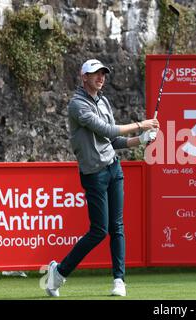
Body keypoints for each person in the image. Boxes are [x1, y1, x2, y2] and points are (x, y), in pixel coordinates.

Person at [44, 59, 159, 297]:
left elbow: (113, 141)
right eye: (95, 74)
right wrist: (141, 124)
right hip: (93, 174)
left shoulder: (104, 101)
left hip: (113, 169)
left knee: (117, 226)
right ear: (83, 76)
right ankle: (59, 272)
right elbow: (106, 130)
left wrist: (142, 140)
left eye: (103, 73)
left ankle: (119, 280)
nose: (101, 77)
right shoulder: (77, 105)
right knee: (98, 231)